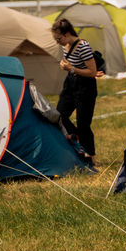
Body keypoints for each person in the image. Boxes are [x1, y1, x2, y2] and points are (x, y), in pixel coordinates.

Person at [52, 18, 99, 166]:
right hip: (70, 84)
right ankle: (77, 137)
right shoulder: (64, 45)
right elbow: (71, 63)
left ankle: (90, 158)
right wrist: (65, 65)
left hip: (85, 86)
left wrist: (71, 68)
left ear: (67, 34)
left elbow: (92, 72)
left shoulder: (83, 46)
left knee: (83, 123)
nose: (57, 42)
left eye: (58, 38)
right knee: (59, 115)